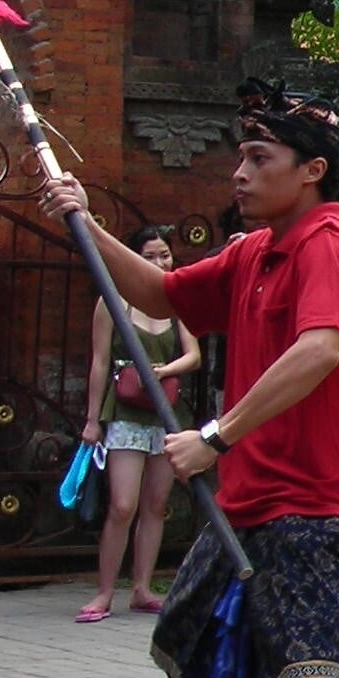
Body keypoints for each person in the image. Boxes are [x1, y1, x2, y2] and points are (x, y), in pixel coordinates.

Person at [41, 83, 339, 678]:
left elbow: (320, 349)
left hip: (316, 502)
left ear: (310, 172)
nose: (238, 173)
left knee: (306, 677)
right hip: (249, 498)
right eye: (240, 156)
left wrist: (218, 434)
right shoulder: (253, 252)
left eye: (257, 159)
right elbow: (160, 297)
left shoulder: (323, 246)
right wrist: (83, 222)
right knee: (185, 647)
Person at [76, 225, 203, 620]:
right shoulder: (114, 301)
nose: (160, 263)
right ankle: (104, 592)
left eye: (165, 255)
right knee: (122, 504)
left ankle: (143, 588)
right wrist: (92, 419)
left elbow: (194, 355)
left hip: (166, 415)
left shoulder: (175, 302)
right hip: (127, 412)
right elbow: (98, 362)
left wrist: (164, 370)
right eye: (150, 256)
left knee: (156, 504)